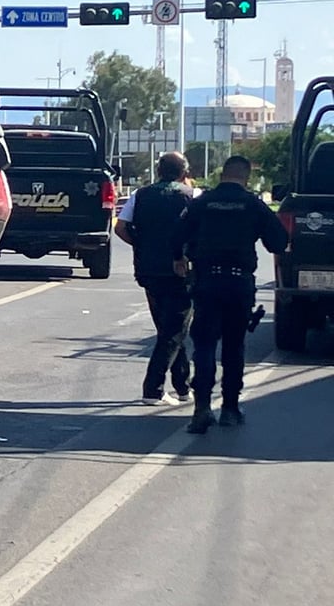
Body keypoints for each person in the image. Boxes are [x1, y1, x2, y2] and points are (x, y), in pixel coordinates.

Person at [171, 155, 289, 434]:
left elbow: (176, 236)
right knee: (234, 346)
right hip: (239, 283)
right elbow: (279, 242)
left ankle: (201, 407)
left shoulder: (202, 203)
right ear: (246, 178)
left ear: (222, 175)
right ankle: (230, 409)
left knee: (204, 345)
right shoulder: (254, 205)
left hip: (207, 280)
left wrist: (180, 258)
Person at [114, 152, 196, 406]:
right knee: (175, 329)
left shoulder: (141, 194)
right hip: (181, 270)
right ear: (184, 173)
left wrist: (140, 245)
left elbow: (120, 227)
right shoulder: (192, 196)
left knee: (169, 326)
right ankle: (153, 388)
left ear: (159, 171)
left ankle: (183, 386)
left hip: (148, 270)